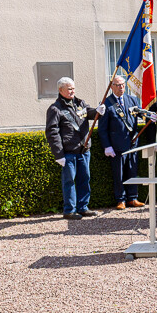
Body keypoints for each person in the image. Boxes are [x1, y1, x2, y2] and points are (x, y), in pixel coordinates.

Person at [45, 77, 105, 220]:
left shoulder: (80, 103)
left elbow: (88, 113)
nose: (72, 91)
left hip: (84, 150)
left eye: (73, 88)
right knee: (69, 182)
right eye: (69, 89)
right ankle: (69, 210)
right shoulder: (55, 109)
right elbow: (52, 133)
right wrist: (58, 154)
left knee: (85, 179)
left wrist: (97, 111)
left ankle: (83, 207)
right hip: (68, 152)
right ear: (61, 90)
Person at [98, 76, 145, 210]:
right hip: (116, 145)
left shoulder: (132, 100)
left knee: (132, 170)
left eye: (123, 85)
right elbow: (102, 129)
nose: (121, 87)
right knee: (118, 173)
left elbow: (140, 114)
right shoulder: (106, 103)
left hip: (132, 142)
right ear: (112, 86)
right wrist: (107, 146)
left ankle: (133, 197)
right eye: (117, 85)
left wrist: (149, 116)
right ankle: (120, 199)